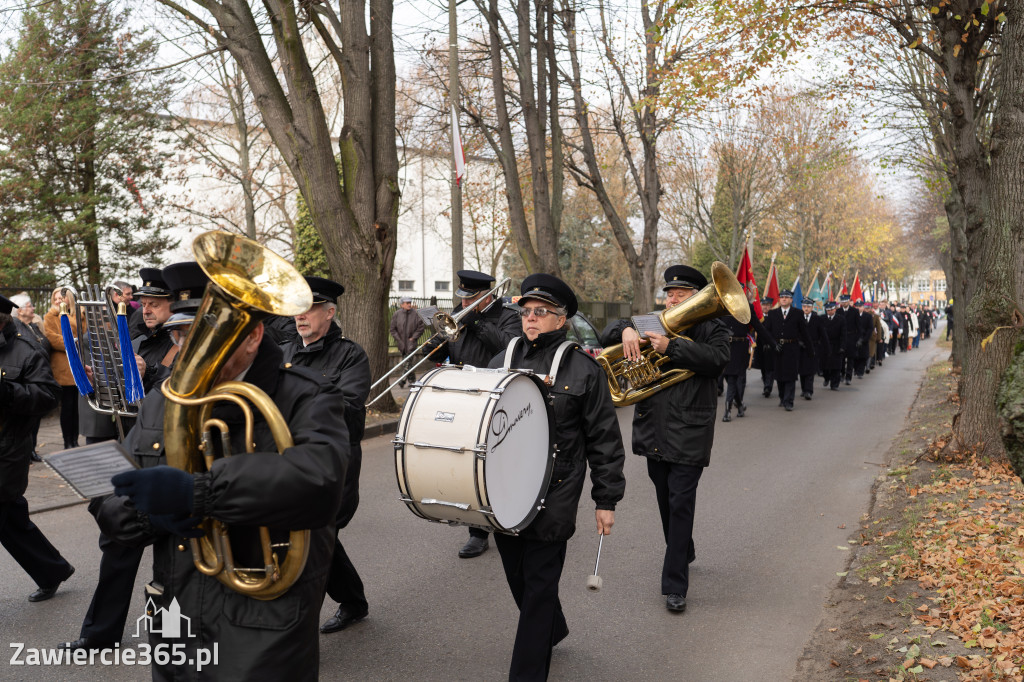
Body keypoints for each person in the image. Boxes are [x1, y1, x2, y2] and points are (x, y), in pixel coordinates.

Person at [97, 296, 350, 680]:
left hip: (265, 619)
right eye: (182, 338)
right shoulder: (161, 400)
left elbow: (321, 483)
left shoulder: (307, 393)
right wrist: (152, 513)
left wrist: (198, 493)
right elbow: (108, 501)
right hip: (175, 614)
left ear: (252, 337)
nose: (189, 356)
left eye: (206, 338)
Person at [61, 262, 206, 653]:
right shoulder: (137, 337)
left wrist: (150, 372)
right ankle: (98, 634)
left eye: (155, 302)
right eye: (144, 302)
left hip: (192, 473)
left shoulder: (169, 345)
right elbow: (141, 406)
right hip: (147, 455)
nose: (147, 308)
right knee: (117, 541)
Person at [488, 274, 625, 681]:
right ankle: (554, 626)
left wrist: (606, 500)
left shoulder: (584, 369)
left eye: (541, 312)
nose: (530, 319)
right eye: (526, 312)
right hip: (504, 487)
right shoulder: (501, 361)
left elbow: (604, 438)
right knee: (518, 576)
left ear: (561, 319)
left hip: (557, 489)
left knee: (539, 585)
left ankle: (527, 673)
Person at [605, 264, 729, 613]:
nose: (672, 299)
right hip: (653, 428)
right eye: (670, 294)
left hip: (690, 429)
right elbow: (604, 336)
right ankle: (683, 547)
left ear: (698, 297)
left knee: (680, 503)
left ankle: (675, 585)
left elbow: (718, 360)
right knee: (664, 497)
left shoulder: (712, 326)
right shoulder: (651, 321)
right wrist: (628, 329)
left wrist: (672, 347)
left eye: (681, 294)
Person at [280, 276, 373, 636]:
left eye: (310, 309)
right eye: (297, 309)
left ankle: (294, 635)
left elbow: (349, 409)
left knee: (315, 537)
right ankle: (353, 601)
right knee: (319, 536)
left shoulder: (351, 354)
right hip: (290, 457)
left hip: (335, 461)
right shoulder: (284, 351)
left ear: (330, 313)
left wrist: (299, 400)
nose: (300, 316)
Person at [424, 270, 520, 559]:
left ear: (487, 295)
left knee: (498, 461)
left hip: (496, 397)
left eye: (471, 298)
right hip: (463, 397)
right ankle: (477, 531)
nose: (464, 302)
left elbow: (508, 348)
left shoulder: (508, 315)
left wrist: (475, 321)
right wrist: (434, 346)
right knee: (467, 461)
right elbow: (446, 352)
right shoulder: (459, 314)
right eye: (462, 297)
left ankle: (510, 511)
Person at [0, 294, 76, 601]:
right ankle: (51, 570)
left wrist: (5, 390)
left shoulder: (25, 349)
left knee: (7, 513)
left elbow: (47, 397)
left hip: (8, 448)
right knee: (10, 519)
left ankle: (51, 570)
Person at [10, 293, 49, 461]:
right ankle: (27, 450)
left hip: (38, 375)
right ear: (18, 311)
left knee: (35, 417)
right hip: (25, 378)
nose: (33, 309)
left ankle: (32, 449)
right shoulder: (15, 329)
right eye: (29, 306)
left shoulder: (34, 325)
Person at [721, 302, 775, 422]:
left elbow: (759, 327)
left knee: (732, 379)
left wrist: (773, 343)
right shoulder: (721, 305)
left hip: (739, 347)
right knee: (727, 377)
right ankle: (740, 405)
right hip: (724, 346)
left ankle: (727, 411)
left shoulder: (747, 307)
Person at [42, 287, 81, 449]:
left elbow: (85, 335)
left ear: (69, 299)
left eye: (61, 298)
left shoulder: (79, 314)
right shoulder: (50, 316)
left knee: (76, 407)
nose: (58, 301)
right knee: (66, 407)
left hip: (78, 365)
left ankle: (75, 440)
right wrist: (74, 341)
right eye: (56, 298)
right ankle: (67, 442)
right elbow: (51, 338)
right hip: (62, 367)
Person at [763, 290, 814, 411]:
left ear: (791, 300)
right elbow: (767, 332)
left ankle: (789, 401)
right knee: (779, 375)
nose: (784, 299)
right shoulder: (772, 313)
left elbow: (804, 332)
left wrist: (810, 349)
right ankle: (782, 397)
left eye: (787, 297)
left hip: (792, 348)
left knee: (791, 375)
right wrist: (772, 344)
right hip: (777, 349)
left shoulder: (797, 313)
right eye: (782, 297)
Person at [131, 268, 175, 391]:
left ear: (174, 305)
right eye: (143, 305)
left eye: (154, 305)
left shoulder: (182, 343)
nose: (145, 311)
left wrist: (148, 372)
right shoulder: (137, 341)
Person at [389, 296, 425, 387]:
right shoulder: (397, 314)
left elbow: (421, 328)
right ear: (402, 305)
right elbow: (392, 329)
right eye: (407, 303)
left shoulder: (416, 314)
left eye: (410, 303)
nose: (409, 304)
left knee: (407, 361)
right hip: (401, 343)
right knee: (408, 363)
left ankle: (402, 380)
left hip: (411, 343)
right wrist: (398, 339)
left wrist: (413, 337)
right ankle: (412, 381)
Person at [798, 298, 828, 400]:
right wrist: (798, 342)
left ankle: (809, 391)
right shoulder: (798, 318)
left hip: (813, 348)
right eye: (804, 307)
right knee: (802, 370)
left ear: (812, 307)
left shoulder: (817, 319)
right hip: (801, 348)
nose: (806, 309)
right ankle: (803, 389)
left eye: (808, 307)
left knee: (810, 370)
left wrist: (825, 347)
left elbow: (822, 334)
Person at [752, 296, 776, 398]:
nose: (765, 307)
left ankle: (768, 387)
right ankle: (766, 383)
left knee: (770, 367)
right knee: (762, 366)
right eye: (763, 305)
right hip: (760, 346)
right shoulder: (758, 317)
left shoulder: (774, 316)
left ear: (771, 306)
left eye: (767, 305)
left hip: (770, 346)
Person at [821, 302, 846, 390]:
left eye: (831, 310)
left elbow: (843, 334)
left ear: (835, 309)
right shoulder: (822, 318)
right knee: (825, 365)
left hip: (837, 345)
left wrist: (842, 346)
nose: (829, 311)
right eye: (828, 310)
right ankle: (827, 378)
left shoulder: (841, 319)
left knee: (836, 366)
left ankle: (835, 384)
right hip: (825, 345)